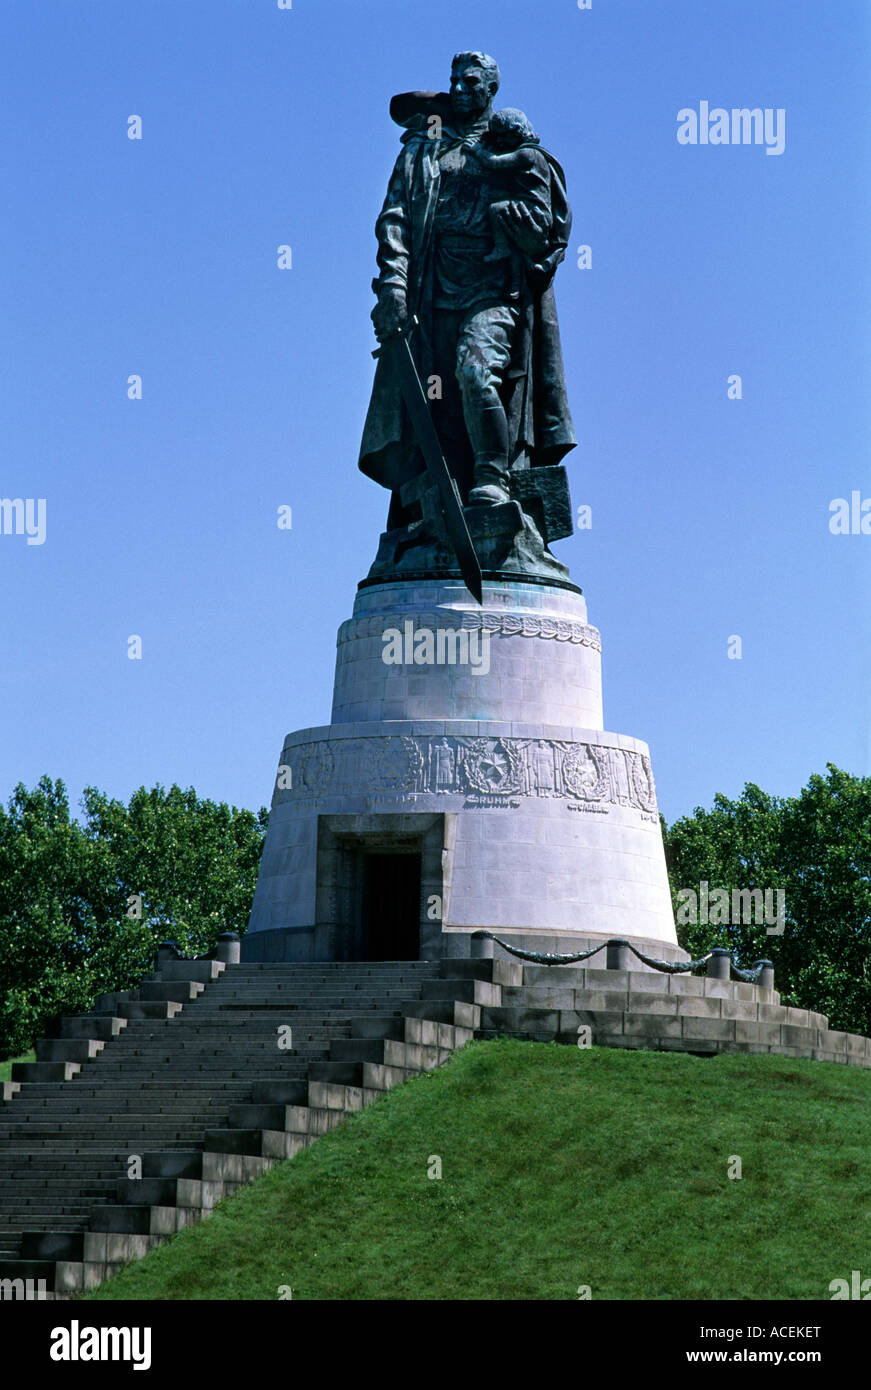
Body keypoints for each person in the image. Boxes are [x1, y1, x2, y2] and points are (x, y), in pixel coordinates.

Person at [359, 53, 576, 517]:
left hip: (493, 289)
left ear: (491, 89)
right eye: (453, 80)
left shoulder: (511, 144)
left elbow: (548, 223)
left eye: (470, 81)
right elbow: (394, 218)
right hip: (430, 292)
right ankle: (435, 507)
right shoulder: (426, 144)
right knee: (434, 398)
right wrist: (393, 287)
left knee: (476, 374)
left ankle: (493, 480)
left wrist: (527, 236)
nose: (458, 88)